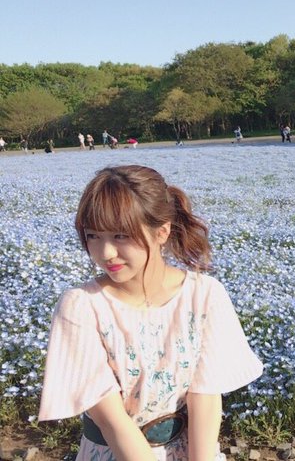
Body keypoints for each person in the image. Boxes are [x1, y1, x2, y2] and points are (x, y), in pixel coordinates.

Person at [38, 165, 263, 461]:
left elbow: (205, 398)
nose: (105, 253)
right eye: (93, 236)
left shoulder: (205, 295)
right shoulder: (81, 306)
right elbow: (110, 419)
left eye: (120, 236)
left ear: (162, 232)